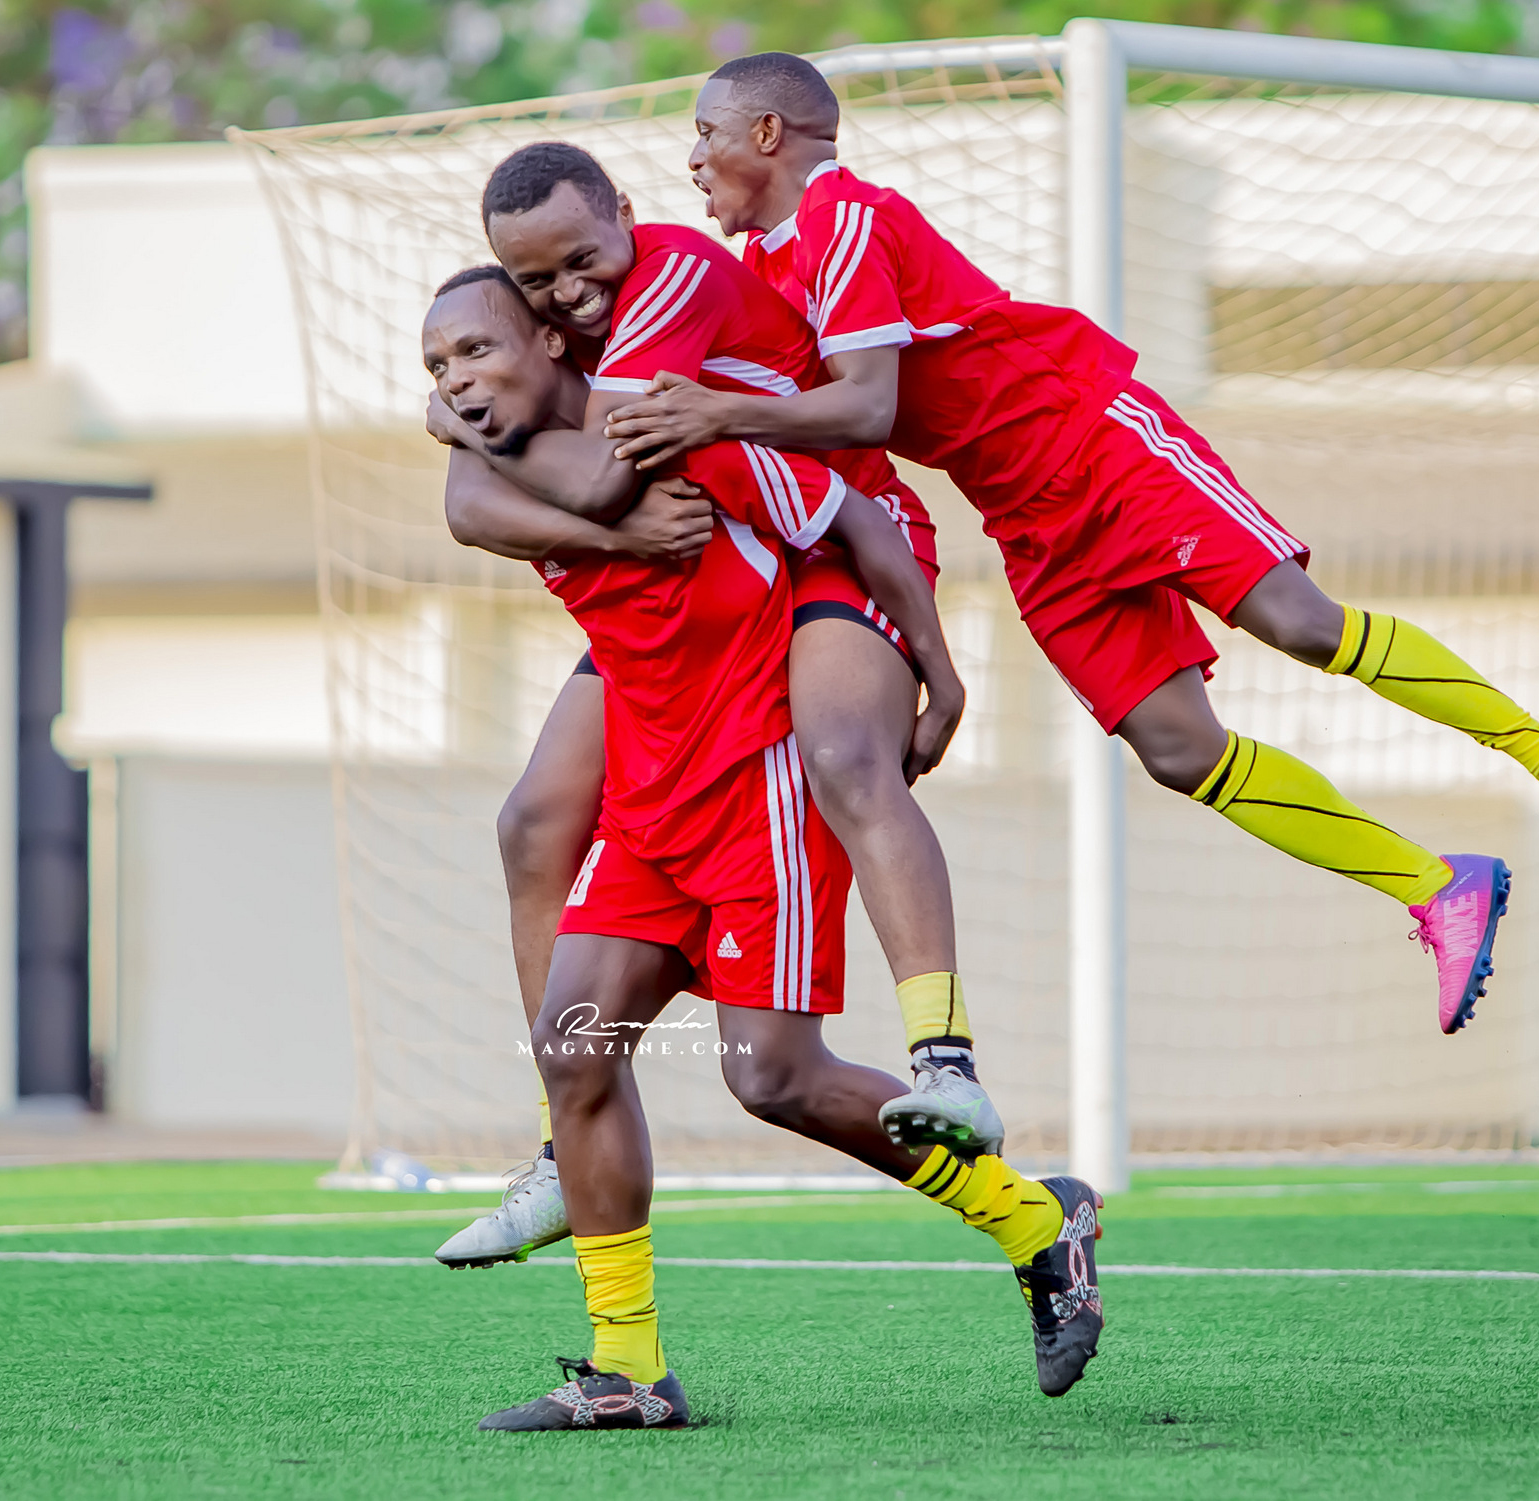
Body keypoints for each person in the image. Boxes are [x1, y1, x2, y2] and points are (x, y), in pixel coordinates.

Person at [601, 51, 1539, 1039]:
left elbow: (866, 407)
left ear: (767, 133)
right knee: (1178, 749)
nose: (691, 159)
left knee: (1297, 622)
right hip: (1025, 519)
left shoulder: (844, 215)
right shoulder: (763, 267)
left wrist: (712, 414)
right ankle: (1436, 887)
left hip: (1093, 443)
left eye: (705, 133)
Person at [421, 267, 1106, 1429]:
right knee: (573, 1048)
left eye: (477, 351)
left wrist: (939, 673)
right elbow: (472, 501)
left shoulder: (678, 435)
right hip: (646, 811)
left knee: (770, 1079)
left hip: (757, 797)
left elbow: (855, 520)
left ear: (554, 340)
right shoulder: (492, 470)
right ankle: (627, 1372)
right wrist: (596, 513)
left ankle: (1036, 1220)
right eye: (437, 367)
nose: (456, 381)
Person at [433, 141, 1008, 1273]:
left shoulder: (673, 317)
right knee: (533, 823)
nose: (567, 292)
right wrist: (480, 430)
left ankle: (946, 1061)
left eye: (581, 261)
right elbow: (473, 504)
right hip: (693, 648)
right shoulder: (528, 375)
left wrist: (941, 672)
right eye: (537, 281)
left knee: (842, 760)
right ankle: (563, 1153)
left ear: (623, 215)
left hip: (827, 553)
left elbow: (620, 476)